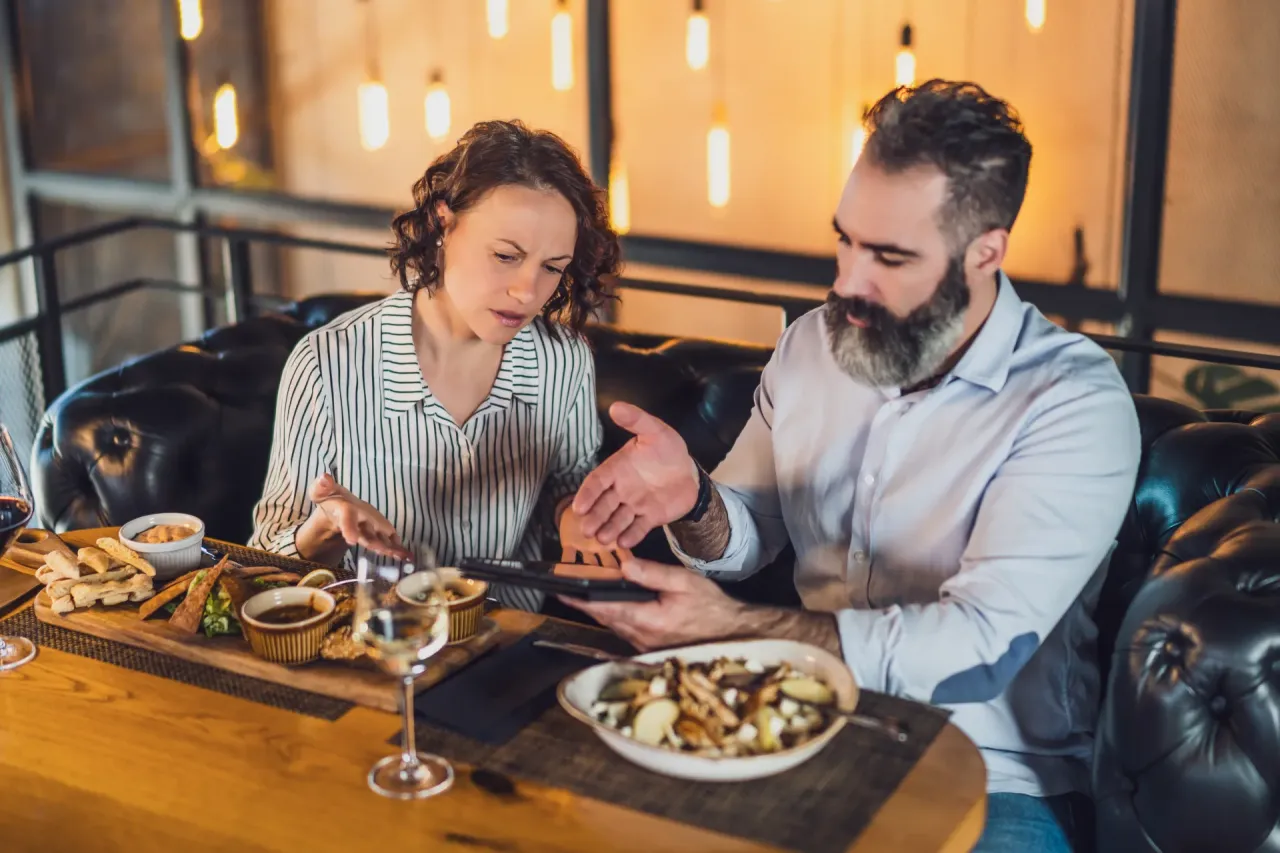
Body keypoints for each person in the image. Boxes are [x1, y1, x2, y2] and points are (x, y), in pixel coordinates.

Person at [564, 81, 1140, 852]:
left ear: (985, 251)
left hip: (992, 774)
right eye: (846, 240)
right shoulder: (812, 346)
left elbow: (977, 647)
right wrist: (691, 495)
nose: (847, 283)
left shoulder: (1073, 401)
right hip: (794, 723)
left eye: (890, 256)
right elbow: (745, 535)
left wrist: (735, 628)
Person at [250, 119, 625, 611]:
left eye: (553, 267)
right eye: (506, 256)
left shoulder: (564, 361)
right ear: (442, 223)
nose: (528, 292)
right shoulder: (327, 363)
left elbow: (568, 476)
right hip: (376, 640)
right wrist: (324, 533)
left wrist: (575, 515)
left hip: (505, 641)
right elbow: (264, 554)